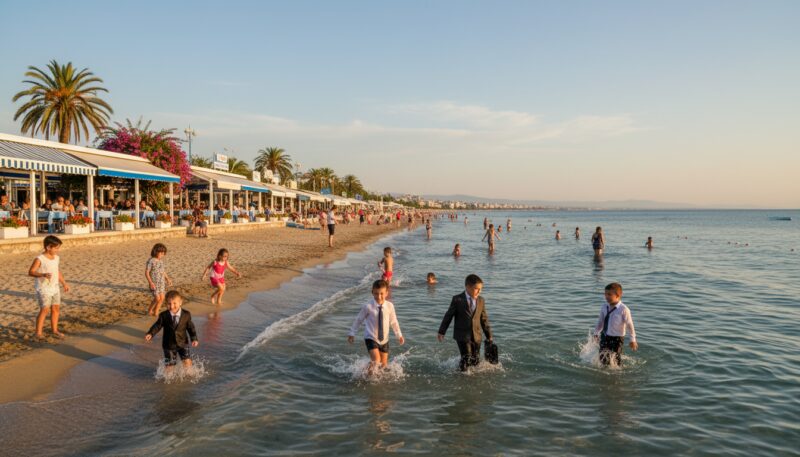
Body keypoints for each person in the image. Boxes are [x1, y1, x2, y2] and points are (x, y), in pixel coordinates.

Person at [347, 280, 404, 376]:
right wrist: (352, 333)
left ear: (386, 293)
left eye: (382, 293)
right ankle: (367, 378)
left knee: (384, 365)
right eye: (376, 293)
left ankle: (365, 371)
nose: (379, 296)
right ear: (372, 292)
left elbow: (394, 321)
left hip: (384, 339)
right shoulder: (368, 307)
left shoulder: (390, 306)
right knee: (376, 360)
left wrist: (399, 335)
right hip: (371, 337)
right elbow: (359, 320)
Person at [437, 274, 493, 372]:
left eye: (481, 289)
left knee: (476, 359)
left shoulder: (481, 300)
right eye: (476, 288)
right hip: (462, 335)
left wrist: (489, 335)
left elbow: (484, 319)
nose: (479, 291)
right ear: (467, 287)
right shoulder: (457, 299)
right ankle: (462, 376)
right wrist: (442, 331)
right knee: (466, 357)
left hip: (477, 335)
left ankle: (473, 378)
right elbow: (448, 316)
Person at [28, 235, 70, 339]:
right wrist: (42, 275)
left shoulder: (56, 258)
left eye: (58, 247)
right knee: (45, 309)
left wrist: (64, 283)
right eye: (56, 248)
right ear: (48, 247)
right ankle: (38, 333)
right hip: (44, 288)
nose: (57, 250)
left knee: (56, 308)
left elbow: (57, 271)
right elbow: (31, 272)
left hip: (55, 286)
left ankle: (55, 330)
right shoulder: (39, 259)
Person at [144, 290, 199, 371]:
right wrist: (151, 333)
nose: (172, 306)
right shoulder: (164, 315)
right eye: (169, 304)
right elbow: (157, 325)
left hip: (183, 342)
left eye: (174, 303)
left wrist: (194, 338)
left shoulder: (186, 314)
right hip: (168, 345)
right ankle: (168, 379)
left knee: (187, 361)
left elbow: (191, 327)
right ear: (166, 304)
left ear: (180, 302)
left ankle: (189, 375)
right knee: (170, 364)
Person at [593, 282, 638, 367]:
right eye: (605, 294)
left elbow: (630, 325)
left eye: (609, 294)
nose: (606, 296)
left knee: (616, 359)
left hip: (617, 338)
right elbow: (600, 322)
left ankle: (617, 375)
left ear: (618, 295)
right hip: (605, 335)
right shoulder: (604, 307)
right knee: (602, 357)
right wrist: (596, 333)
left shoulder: (623, 309)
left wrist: (632, 339)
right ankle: (604, 372)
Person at [145, 243, 173, 316]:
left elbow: (162, 272)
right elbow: (147, 272)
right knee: (157, 299)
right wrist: (150, 282)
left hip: (161, 283)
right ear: (155, 251)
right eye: (161, 253)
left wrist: (167, 279)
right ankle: (150, 310)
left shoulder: (161, 261)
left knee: (162, 298)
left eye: (164, 253)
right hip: (154, 283)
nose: (162, 254)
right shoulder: (151, 261)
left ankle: (156, 312)